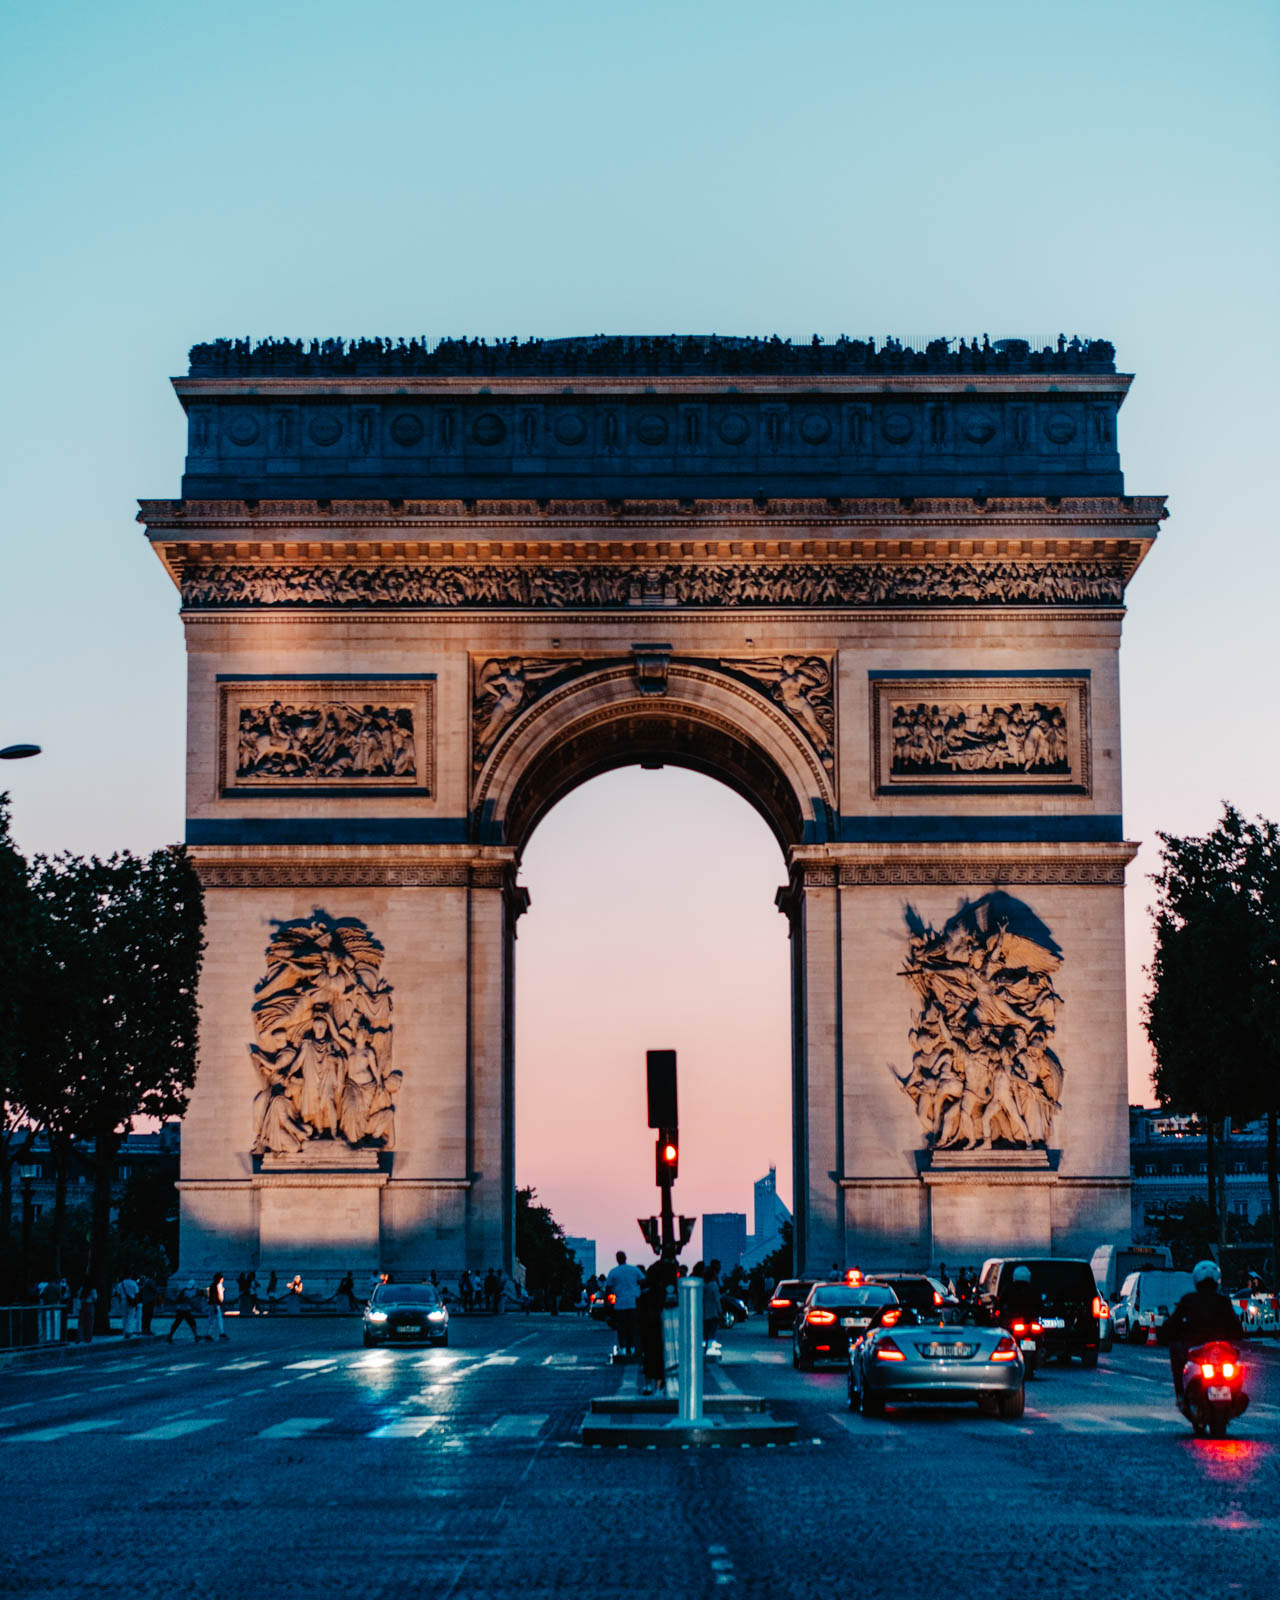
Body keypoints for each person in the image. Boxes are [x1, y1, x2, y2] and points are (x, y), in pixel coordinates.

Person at [1163, 1259, 1245, 1403]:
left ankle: (1181, 1395)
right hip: (1217, 1349)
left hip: (1201, 1349)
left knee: (1176, 1354)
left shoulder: (1189, 1300)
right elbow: (1237, 1328)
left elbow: (1172, 1324)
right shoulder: (1222, 1301)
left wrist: (1168, 1333)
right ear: (1217, 1280)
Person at [638, 1257, 676, 1395]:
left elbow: (641, 1313)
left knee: (648, 1356)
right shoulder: (665, 1293)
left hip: (648, 1328)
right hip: (662, 1327)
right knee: (661, 1356)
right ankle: (660, 1386)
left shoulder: (645, 1293)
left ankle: (648, 1385)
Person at [604, 1250, 645, 1358]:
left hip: (620, 1304)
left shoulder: (613, 1272)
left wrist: (607, 1302)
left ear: (617, 1259)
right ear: (625, 1258)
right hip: (633, 1303)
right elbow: (643, 1282)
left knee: (621, 1327)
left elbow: (608, 1288)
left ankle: (623, 1347)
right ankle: (632, 1347)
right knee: (633, 1327)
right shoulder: (634, 1270)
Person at [120, 1275, 141, 1340]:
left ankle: (125, 1331)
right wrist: (136, 1303)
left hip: (123, 1300)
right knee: (131, 1316)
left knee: (124, 1316)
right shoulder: (133, 1283)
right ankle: (129, 1331)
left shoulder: (121, 1284)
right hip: (132, 1300)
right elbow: (136, 1293)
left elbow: (118, 1293)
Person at [208, 1273, 228, 1339]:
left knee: (212, 1320)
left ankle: (209, 1334)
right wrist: (215, 1306)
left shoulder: (215, 1285)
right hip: (215, 1305)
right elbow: (214, 1296)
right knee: (219, 1319)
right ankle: (221, 1333)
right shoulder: (215, 1286)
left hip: (213, 1305)